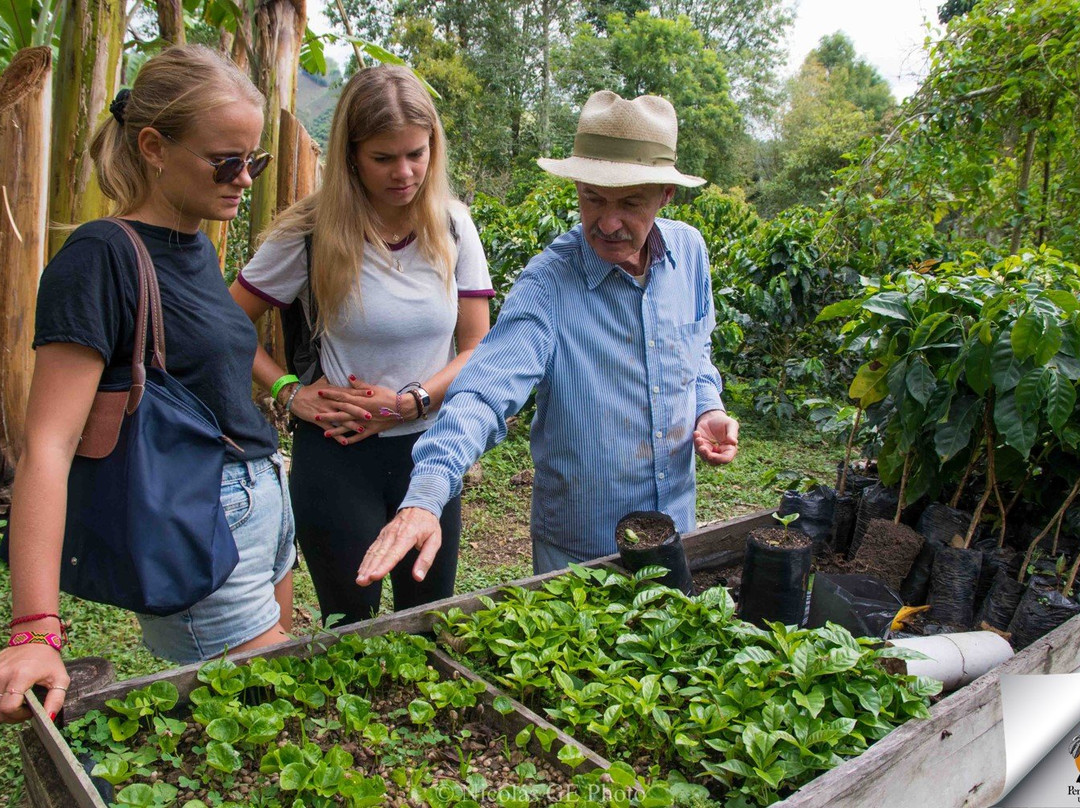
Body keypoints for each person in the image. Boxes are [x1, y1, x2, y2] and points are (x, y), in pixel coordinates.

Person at [0, 45, 296, 723]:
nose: (245, 179)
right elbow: (48, 444)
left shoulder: (195, 242)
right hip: (197, 517)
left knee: (267, 708)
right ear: (155, 147)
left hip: (263, 506)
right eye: (227, 161)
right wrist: (35, 627)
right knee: (259, 716)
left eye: (255, 161)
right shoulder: (99, 257)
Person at [356, 90, 740, 585]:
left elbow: (697, 351)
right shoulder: (549, 284)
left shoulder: (688, 253)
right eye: (592, 198)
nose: (607, 222)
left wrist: (707, 407)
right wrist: (427, 494)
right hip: (582, 548)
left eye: (630, 203)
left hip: (673, 530)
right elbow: (484, 392)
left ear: (665, 196)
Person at [230, 65, 492, 626]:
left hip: (430, 453)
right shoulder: (310, 232)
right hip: (338, 456)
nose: (405, 173)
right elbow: (224, 323)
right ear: (350, 155)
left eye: (417, 154)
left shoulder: (452, 227)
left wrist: (410, 401)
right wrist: (288, 389)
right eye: (383, 158)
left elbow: (478, 348)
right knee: (349, 628)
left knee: (428, 619)